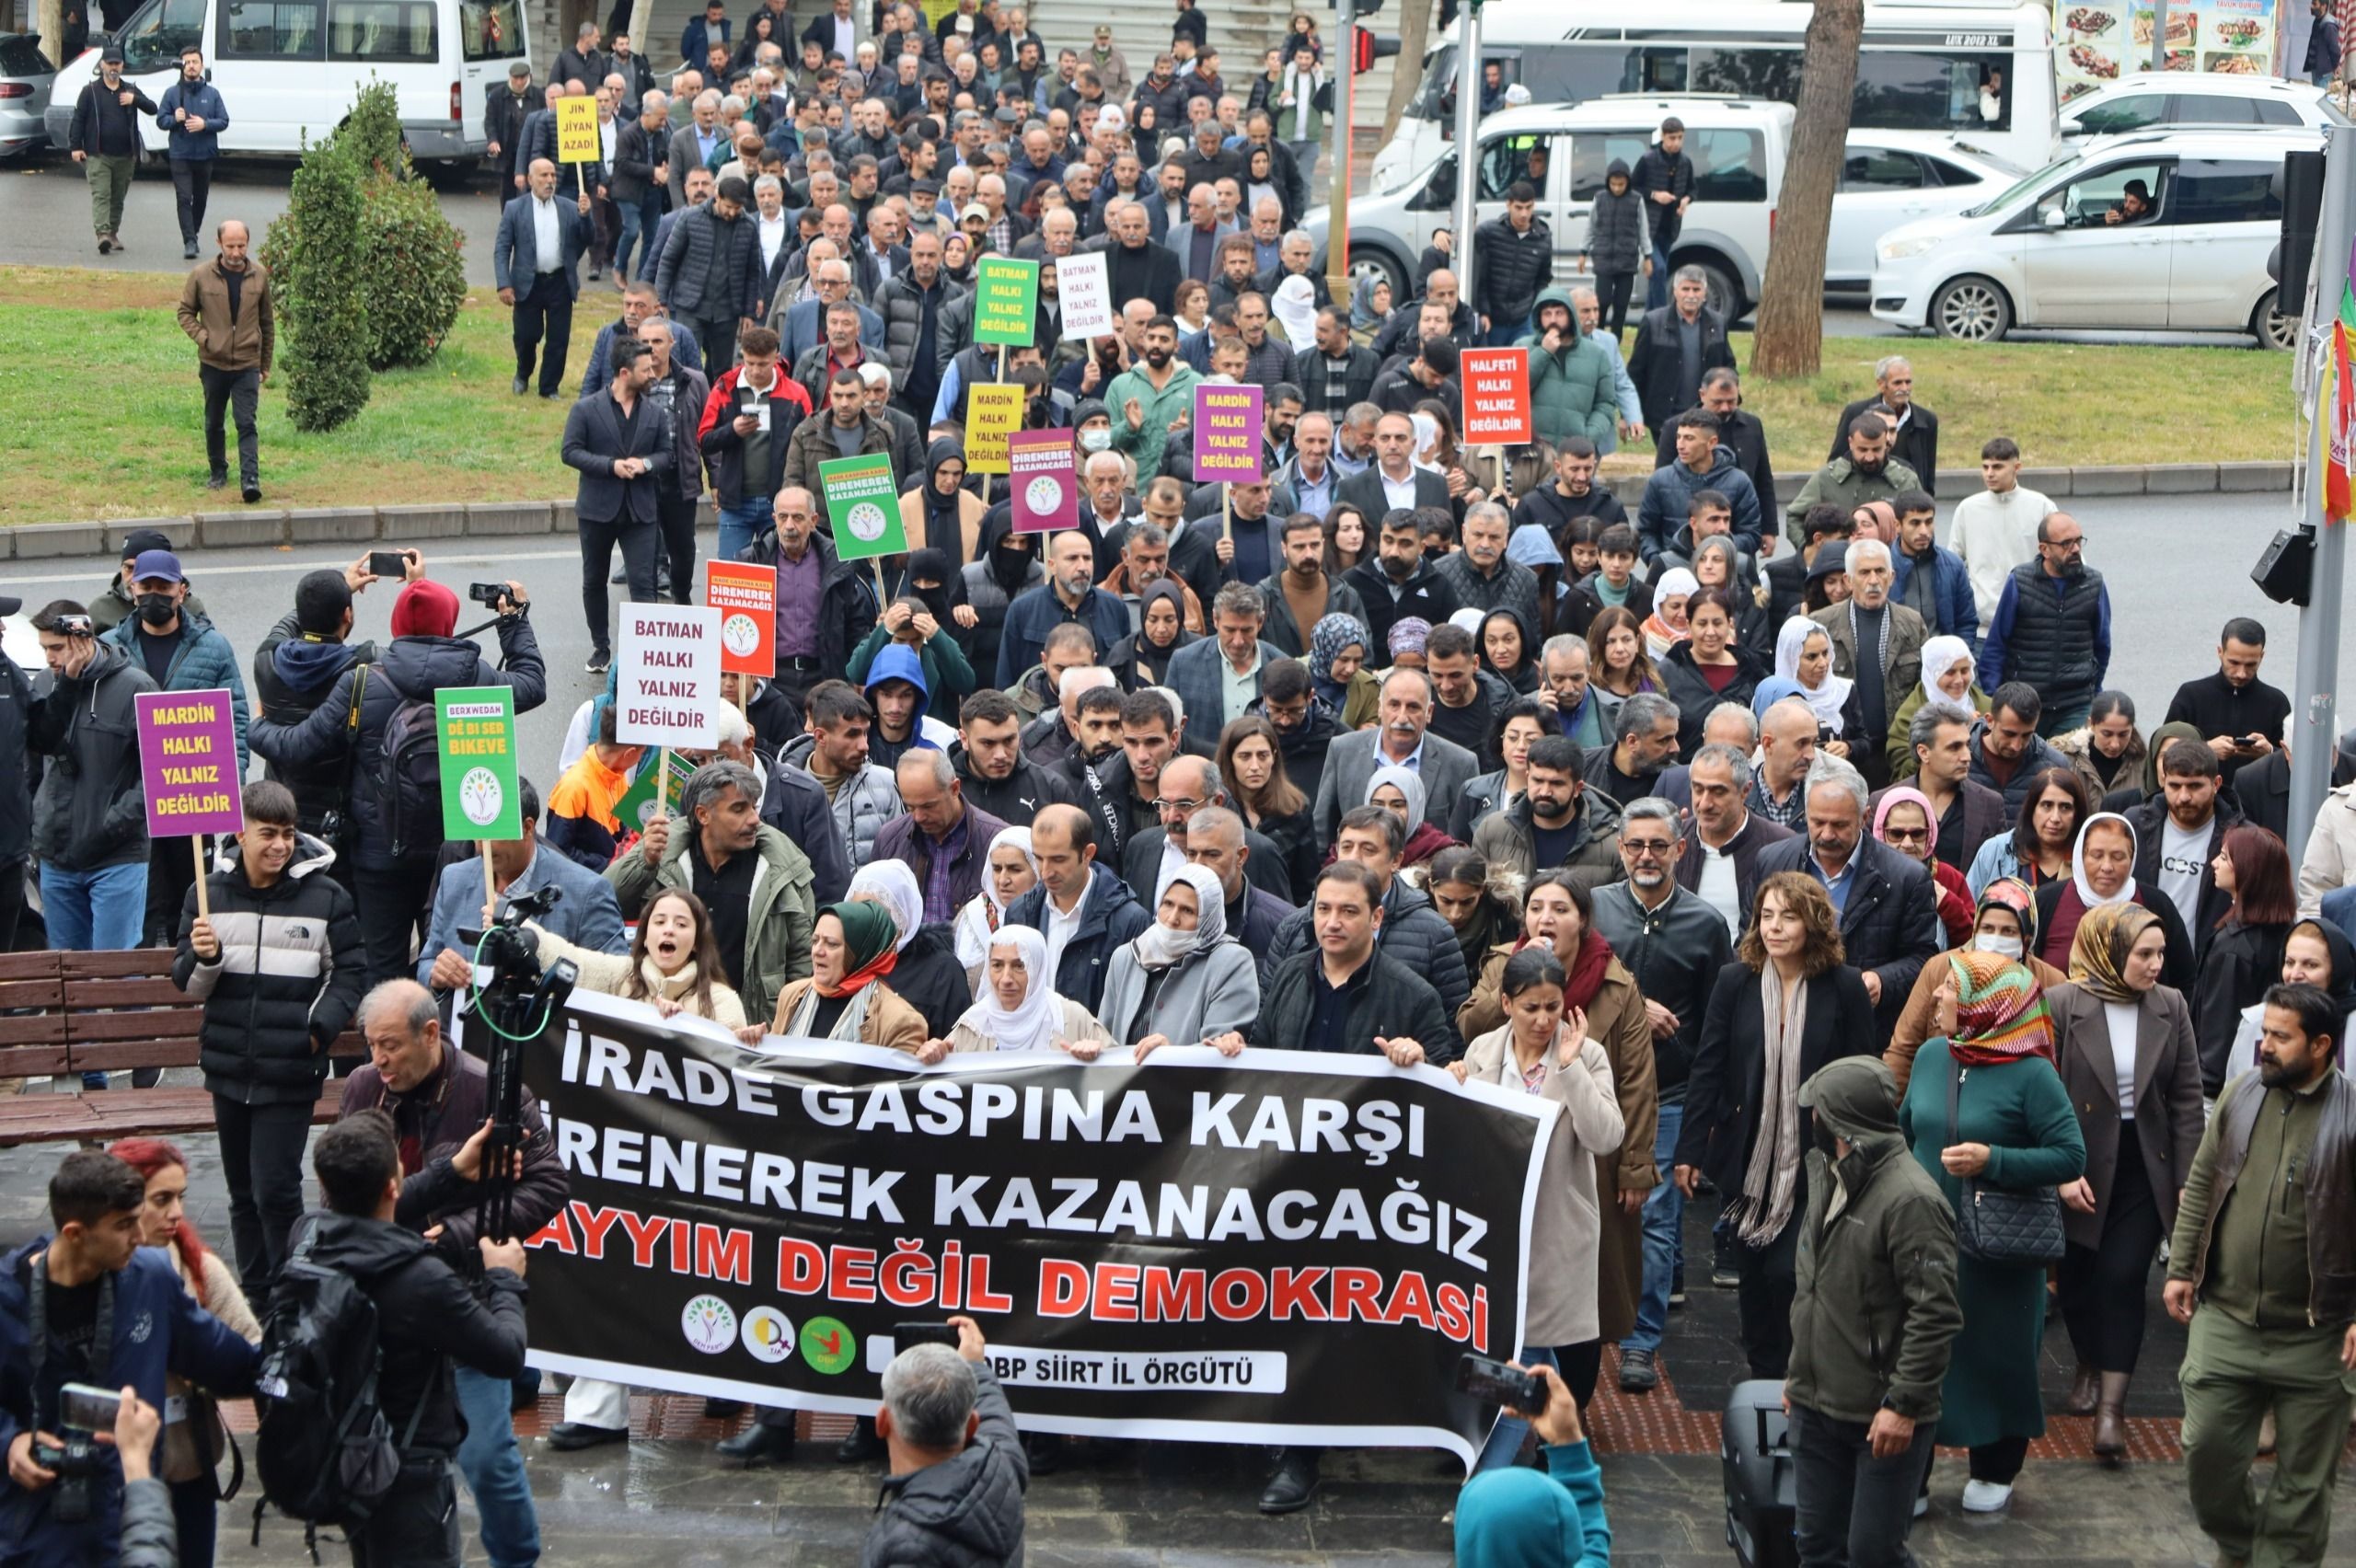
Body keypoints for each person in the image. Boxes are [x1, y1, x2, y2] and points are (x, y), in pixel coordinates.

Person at [249, 576, 544, 985]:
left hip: (378, 854)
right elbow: (533, 684)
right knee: (449, 964)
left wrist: (257, 727)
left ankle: (384, 1043)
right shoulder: (475, 678)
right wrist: (513, 621)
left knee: (381, 970)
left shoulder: (362, 680)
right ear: (450, 624)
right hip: (456, 854)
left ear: (395, 625)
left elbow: (299, 746)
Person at [2167, 981, 2356, 1568]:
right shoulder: (2243, 1091)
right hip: (2226, 1318)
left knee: (2303, 1490)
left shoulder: (2352, 1115)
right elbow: (2202, 1179)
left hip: (2319, 1337)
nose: (2264, 1046)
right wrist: (2179, 1268)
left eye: (2280, 1036)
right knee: (2207, 1455)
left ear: (2321, 1045)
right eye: (2264, 1032)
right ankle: (2243, 1546)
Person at [298, 1107, 533, 1568]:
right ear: (393, 1183)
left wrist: (450, 1172)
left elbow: (373, 1205)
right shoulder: (421, 1279)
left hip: (342, 1452)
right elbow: (506, 1354)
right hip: (410, 1471)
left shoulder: (305, 1239)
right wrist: (504, 1282)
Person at [0, 1151, 260, 1564]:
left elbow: (229, 1362)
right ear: (74, 1233)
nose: (140, 1237)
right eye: (123, 1226)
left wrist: (293, 1363)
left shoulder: (151, 1277)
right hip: (36, 1529)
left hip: (128, 1523)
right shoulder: (7, 1297)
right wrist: (9, 1441)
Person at [1896, 952, 2085, 1514]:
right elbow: (1907, 1132)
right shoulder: (1932, 1056)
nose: (1938, 998)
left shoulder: (2033, 1073)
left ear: (1986, 1004)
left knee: (1997, 1354)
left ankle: (1997, 1467)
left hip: (1999, 1248)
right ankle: (1912, 1474)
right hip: (1926, 1239)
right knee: (1920, 1352)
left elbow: (2070, 1154)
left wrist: (1993, 1159)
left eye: (1950, 990)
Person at [1675, 870, 1881, 1378]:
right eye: (1766, 915)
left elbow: (1862, 1072)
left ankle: (1800, 1371)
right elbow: (1709, 1066)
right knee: (1752, 1276)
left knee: (1787, 1272)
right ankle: (1765, 1375)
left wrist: (1858, 1152)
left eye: (1788, 916)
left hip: (1815, 1158)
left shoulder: (1845, 986)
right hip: (1748, 1152)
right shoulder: (1735, 980)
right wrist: (1690, 1149)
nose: (1775, 927)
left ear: (1812, 923)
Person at [170, 781, 364, 1306]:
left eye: (287, 834)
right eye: (267, 835)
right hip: (229, 1069)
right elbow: (188, 987)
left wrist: (317, 1028)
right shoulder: (206, 895)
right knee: (240, 1197)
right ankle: (255, 1297)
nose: (279, 845)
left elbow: (350, 974)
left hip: (291, 1071)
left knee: (276, 1193)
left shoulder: (327, 897)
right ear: (241, 833)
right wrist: (203, 957)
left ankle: (289, 1293)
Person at [1784, 1055, 1963, 1567]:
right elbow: (1816, 1289)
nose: (1810, 1121)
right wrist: (1801, 1376)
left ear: (1840, 1123)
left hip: (1881, 1416)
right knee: (1817, 1548)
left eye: (1817, 1111)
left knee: (1874, 1556)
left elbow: (1936, 1315)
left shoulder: (1911, 1201)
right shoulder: (1830, 1174)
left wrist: (1903, 1405)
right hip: (1818, 1409)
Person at [1454, 945, 1625, 1469]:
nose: (1544, 1019)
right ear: (1507, 1004)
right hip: (1491, 1237)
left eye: (1553, 1006)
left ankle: (1494, 1471)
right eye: (1532, 1007)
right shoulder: (1482, 1050)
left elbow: (1606, 1137)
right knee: (1516, 1356)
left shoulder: (1587, 1054)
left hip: (1557, 1233)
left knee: (1530, 1356)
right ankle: (1550, 1455)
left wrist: (1571, 1070)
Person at [2046, 900, 2204, 1463]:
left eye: (2160, 953)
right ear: (2111, 952)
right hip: (2079, 1161)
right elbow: (2044, 1090)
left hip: (2143, 1164)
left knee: (2122, 1276)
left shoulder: (2171, 1006)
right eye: (2144, 953)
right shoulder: (2063, 1004)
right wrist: (2058, 1168)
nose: (2156, 964)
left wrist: (2188, 1179)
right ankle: (2089, 1359)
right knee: (2080, 1280)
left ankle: (2112, 1410)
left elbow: (2187, 1099)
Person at [103, 1136, 260, 1568]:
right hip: (113, 1468)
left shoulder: (198, 1267)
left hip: (188, 1461)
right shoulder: (92, 1269)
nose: (176, 1212)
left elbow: (249, 1350)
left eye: (180, 1197)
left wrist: (200, 1365)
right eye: (162, 1199)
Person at [94, 548, 251, 947]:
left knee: (193, 907)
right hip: (132, 806)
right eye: (147, 586)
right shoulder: (110, 647)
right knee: (141, 913)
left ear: (181, 591)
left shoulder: (213, 647)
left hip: (192, 802)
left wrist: (231, 797)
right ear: (132, 589)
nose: (155, 595)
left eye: (164, 587)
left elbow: (235, 722)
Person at [30, 602, 159, 1036]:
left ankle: (139, 1051)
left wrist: (108, 827)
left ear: (83, 640)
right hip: (57, 853)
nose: (49, 658)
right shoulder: (48, 683)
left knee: (116, 967)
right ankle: (89, 1075)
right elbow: (35, 761)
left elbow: (156, 777)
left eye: (56, 647)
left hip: (116, 855)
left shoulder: (137, 687)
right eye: (44, 648)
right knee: (68, 976)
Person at [607, 760, 814, 1024]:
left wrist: (785, 1029)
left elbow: (802, 961)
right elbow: (604, 903)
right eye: (739, 809)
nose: (754, 820)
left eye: (754, 807)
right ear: (703, 815)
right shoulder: (662, 859)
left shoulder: (784, 871)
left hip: (752, 1031)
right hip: (671, 1024)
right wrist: (643, 861)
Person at [1754, 754, 1941, 1041]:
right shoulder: (1772, 861)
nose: (1827, 834)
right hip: (1781, 1027)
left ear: (1864, 817)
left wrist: (1882, 980)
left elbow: (1922, 958)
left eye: (1840, 825)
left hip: (1862, 1032)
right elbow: (1749, 940)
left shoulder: (1907, 878)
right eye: (1817, 822)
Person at [863, 1315, 1027, 1565]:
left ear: (882, 1422)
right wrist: (977, 1368)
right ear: (973, 1425)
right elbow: (997, 1421)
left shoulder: (906, 1550)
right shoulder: (1001, 1467)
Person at [563, 337, 674, 674]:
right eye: (646, 369)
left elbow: (667, 455)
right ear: (625, 373)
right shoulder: (586, 409)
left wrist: (645, 465)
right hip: (597, 510)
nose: (653, 373)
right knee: (594, 579)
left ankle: (646, 653)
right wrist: (610, 466)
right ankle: (601, 647)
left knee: (644, 582)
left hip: (640, 512)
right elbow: (570, 452)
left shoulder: (654, 411)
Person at [1002, 802, 1151, 1013]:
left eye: (1058, 860)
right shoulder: (1020, 912)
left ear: (1088, 854)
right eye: (1038, 858)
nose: (1046, 872)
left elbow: (1136, 1008)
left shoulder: (1129, 921)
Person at [1979, 513, 2109, 738]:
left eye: (2078, 541)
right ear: (2045, 549)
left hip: (2075, 704)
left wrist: (2092, 691)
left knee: (2068, 770)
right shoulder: (2020, 582)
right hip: (2025, 702)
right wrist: (1994, 698)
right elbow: (1997, 643)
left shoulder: (2094, 584)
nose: (2076, 549)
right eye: (2066, 544)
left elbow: (2102, 645)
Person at [1312, 667, 1480, 842]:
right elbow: (1322, 830)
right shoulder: (1343, 751)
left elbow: (1466, 844)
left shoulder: (1460, 764)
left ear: (1429, 712)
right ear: (1380, 707)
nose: (1402, 717)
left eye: (1413, 707)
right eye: (1394, 705)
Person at [2192, 824, 2299, 1091]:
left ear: (2248, 870)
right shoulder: (2289, 936)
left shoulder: (2234, 948)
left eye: (2225, 857)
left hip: (2225, 1091)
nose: (2215, 863)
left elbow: (2217, 1036)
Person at [175, 220, 271, 502]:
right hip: (213, 363)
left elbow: (267, 322)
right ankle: (218, 471)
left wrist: (265, 363)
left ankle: (250, 479)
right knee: (214, 421)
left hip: (246, 363)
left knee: (246, 422)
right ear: (219, 244)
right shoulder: (201, 276)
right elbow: (185, 313)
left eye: (241, 245)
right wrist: (205, 338)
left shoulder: (259, 276)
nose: (236, 252)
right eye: (231, 246)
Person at [493, 158, 596, 398]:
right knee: (527, 336)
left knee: (558, 339)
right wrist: (504, 283)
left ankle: (549, 387)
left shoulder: (569, 207)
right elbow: (502, 248)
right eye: (543, 176)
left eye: (553, 175)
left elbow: (589, 238)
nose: (550, 180)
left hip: (560, 282)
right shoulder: (514, 209)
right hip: (527, 283)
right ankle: (523, 372)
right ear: (530, 180)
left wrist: (586, 216)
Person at [933, 924, 1112, 1056]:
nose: (1006, 979)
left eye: (1019, 966)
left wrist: (1097, 1056)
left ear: (1038, 969)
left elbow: (1121, 1073)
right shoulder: (973, 1025)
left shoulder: (1073, 1019)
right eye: (997, 965)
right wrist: (933, 1054)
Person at [2164, 617, 2289, 792]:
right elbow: (2164, 754)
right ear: (2220, 652)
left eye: (2251, 665)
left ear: (2262, 656)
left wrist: (2269, 753)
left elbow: (2294, 762)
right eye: (2234, 663)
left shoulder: (2276, 702)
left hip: (2255, 802)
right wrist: (2206, 750)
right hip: (2199, 800)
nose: (2241, 673)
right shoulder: (2191, 695)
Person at [1783, 414, 1923, 550]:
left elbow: (1923, 523)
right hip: (1837, 566)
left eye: (1876, 450)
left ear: (1886, 443)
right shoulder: (1827, 479)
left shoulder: (1907, 481)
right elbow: (1795, 516)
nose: (1869, 457)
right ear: (1850, 443)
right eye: (1862, 450)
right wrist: (1811, 553)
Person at [68, 43, 157, 255]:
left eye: (117, 63)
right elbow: (78, 120)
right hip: (98, 154)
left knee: (118, 197)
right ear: (102, 65)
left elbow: (153, 108)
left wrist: (135, 100)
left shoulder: (130, 90)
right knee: (102, 194)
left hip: (126, 155)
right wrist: (75, 147)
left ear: (122, 66)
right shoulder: (90, 91)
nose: (113, 67)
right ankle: (102, 234)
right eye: (110, 64)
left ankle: (113, 233)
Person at [1625, 266, 1732, 437]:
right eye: (1685, 289)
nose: (1691, 295)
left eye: (1696, 290)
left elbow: (1728, 368)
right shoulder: (1652, 323)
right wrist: (1628, 415)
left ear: (1704, 293)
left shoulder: (1718, 323)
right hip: (1664, 417)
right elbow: (1636, 372)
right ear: (1675, 291)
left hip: (1706, 415)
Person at [1966, 766, 2088, 897]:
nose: (2055, 818)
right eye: (2047, 805)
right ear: (2032, 809)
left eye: (2065, 807)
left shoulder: (2089, 858)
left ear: (2077, 814)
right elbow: (1966, 911)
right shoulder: (1995, 852)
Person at [156, 47, 227, 260]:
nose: (191, 66)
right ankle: (189, 240)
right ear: (181, 65)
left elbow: (224, 120)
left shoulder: (212, 94)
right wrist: (174, 119)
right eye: (187, 62)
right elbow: (161, 120)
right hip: (180, 154)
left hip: (204, 154)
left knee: (201, 198)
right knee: (184, 197)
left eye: (195, 62)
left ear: (201, 65)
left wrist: (205, 124)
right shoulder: (172, 93)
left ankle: (193, 233)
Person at [953, 825, 1037, 985]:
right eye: (997, 869)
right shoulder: (971, 917)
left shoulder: (1048, 917)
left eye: (1015, 869)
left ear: (1037, 871)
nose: (1003, 880)